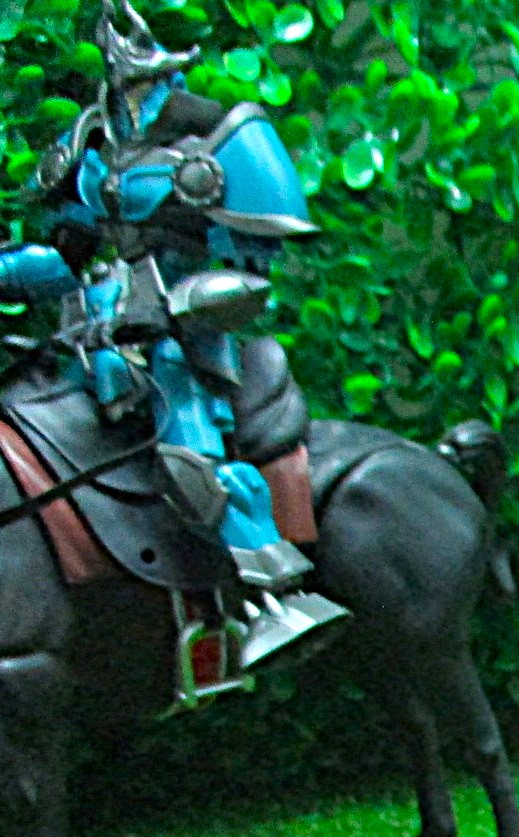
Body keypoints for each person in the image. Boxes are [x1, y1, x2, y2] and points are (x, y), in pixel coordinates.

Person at [0, 1, 345, 665]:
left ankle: (276, 594)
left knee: (190, 461)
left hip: (177, 339)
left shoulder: (213, 135)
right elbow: (67, 256)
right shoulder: (91, 142)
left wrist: (176, 309)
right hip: (91, 337)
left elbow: (253, 266)